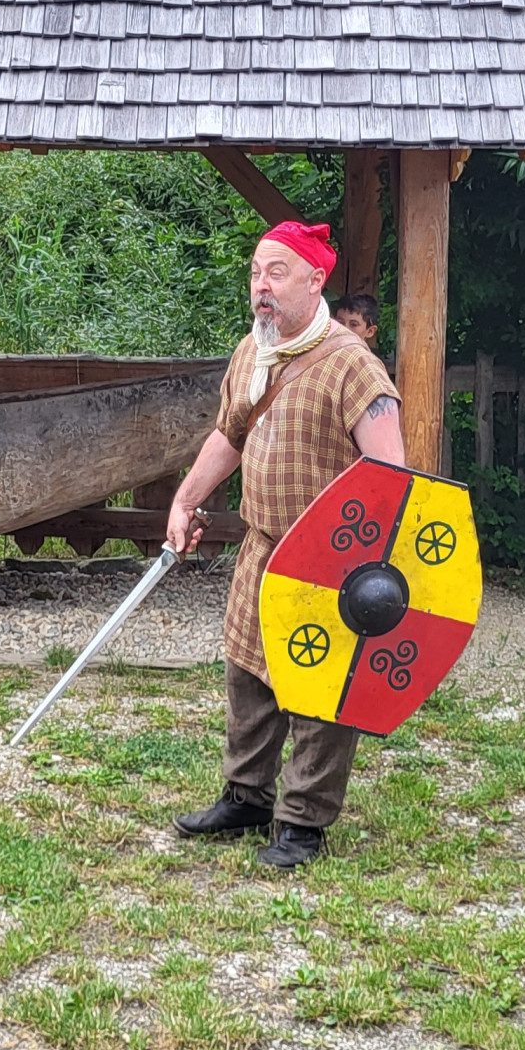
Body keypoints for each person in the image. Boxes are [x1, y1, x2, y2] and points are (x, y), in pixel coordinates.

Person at [161, 221, 404, 868]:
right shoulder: (254, 350)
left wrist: (370, 571)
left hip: (331, 562)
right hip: (262, 547)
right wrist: (187, 499)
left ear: (316, 279)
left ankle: (302, 821)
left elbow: (392, 480)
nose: (260, 287)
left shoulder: (352, 365)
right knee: (248, 672)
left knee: (322, 694)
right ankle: (247, 796)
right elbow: (229, 437)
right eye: (255, 273)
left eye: (277, 272)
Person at [332, 293, 383, 359]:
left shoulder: (370, 364)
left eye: (354, 324)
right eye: (340, 322)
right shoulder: (323, 353)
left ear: (370, 331)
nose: (344, 329)